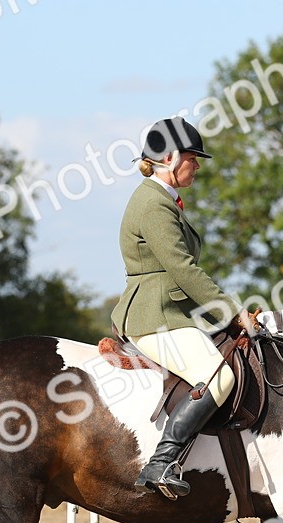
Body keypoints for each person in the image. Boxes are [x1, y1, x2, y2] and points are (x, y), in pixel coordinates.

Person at [111, 116, 255, 498]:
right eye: (193, 158)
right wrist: (231, 310)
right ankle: (161, 462)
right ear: (170, 158)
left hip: (172, 312)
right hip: (154, 316)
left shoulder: (161, 200)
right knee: (218, 376)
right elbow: (182, 268)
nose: (198, 166)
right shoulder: (153, 204)